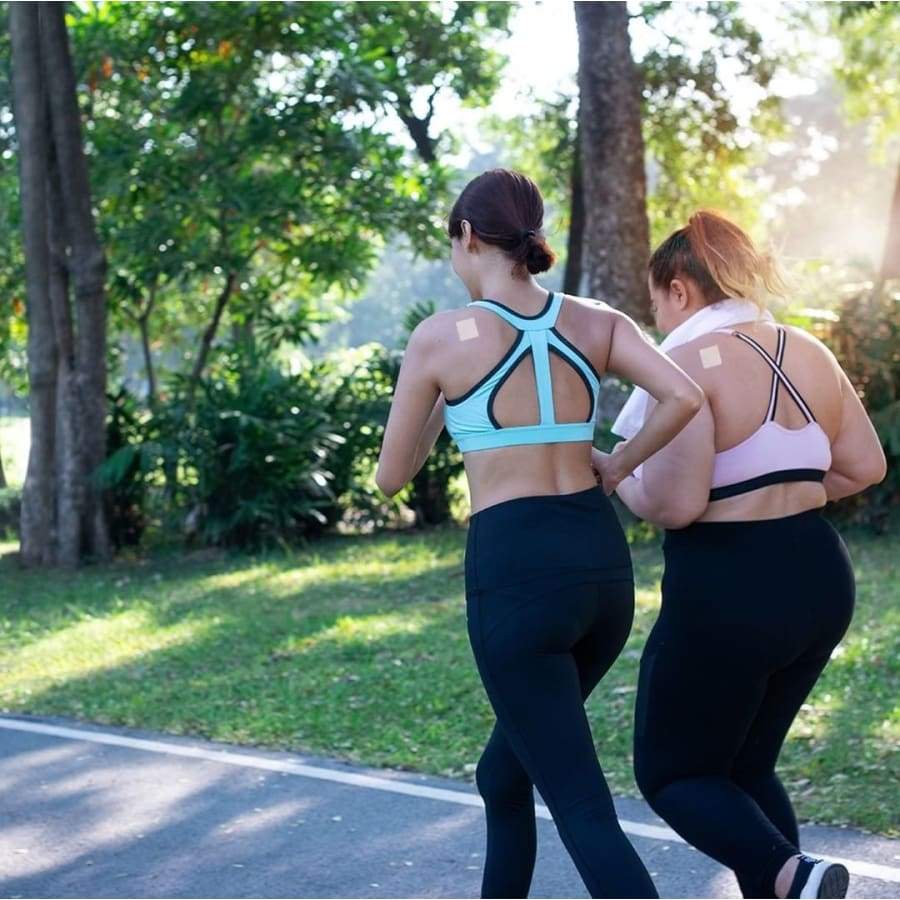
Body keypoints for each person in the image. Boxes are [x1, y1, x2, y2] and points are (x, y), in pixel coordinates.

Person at [376, 168, 703, 899]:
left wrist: (442, 396)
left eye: (454, 246)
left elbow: (391, 477)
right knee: (504, 774)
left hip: (517, 575)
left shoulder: (441, 339)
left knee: (583, 809)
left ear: (467, 237)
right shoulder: (597, 320)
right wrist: (617, 467)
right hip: (600, 575)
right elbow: (685, 394)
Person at [601, 211, 887, 899]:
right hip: (819, 575)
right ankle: (796, 883)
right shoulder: (807, 348)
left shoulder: (685, 364)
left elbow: (672, 506)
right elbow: (865, 466)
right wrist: (782, 488)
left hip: (729, 582)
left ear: (680, 289)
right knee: (747, 767)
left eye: (656, 303)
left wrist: (614, 473)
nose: (658, 320)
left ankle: (794, 873)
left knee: (674, 774)